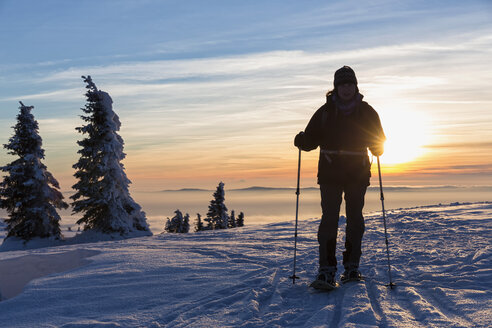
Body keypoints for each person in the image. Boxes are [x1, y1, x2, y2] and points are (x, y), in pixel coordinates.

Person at [294, 66, 385, 286]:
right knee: (330, 220)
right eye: (342, 84)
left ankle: (351, 267)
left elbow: (379, 140)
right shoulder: (325, 112)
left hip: (357, 174)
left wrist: (377, 147)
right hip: (330, 174)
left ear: (356, 86)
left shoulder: (366, 112)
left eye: (350, 84)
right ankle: (327, 269)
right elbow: (311, 140)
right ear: (336, 87)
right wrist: (302, 141)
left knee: (354, 220)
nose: (346, 88)